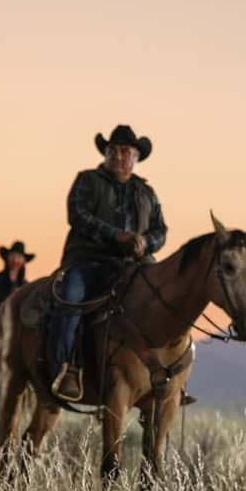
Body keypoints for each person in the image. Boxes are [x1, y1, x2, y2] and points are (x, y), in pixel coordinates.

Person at [47, 124, 167, 401]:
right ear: (106, 153)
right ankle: (63, 368)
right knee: (71, 299)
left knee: (162, 301)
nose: (121, 156)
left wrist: (145, 243)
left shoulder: (145, 192)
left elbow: (161, 230)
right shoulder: (87, 180)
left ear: (136, 157)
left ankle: (165, 375)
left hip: (133, 265)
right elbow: (77, 215)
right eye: (115, 150)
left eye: (127, 151)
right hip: (88, 260)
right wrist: (116, 235)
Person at [0, 241, 34, 310]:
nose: (15, 260)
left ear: (24, 260)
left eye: (19, 257)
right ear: (7, 258)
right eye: (13, 256)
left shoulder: (26, 286)